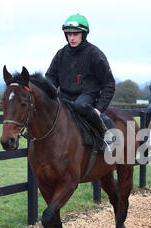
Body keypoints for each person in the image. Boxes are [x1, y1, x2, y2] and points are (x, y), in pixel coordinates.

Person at [45, 14, 115, 148]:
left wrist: (99, 109)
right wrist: (51, 89)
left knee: (80, 105)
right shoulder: (60, 54)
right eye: (69, 34)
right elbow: (50, 78)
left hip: (87, 97)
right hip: (64, 96)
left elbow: (109, 84)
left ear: (83, 34)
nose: (71, 37)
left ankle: (105, 135)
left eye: (76, 34)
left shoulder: (95, 54)